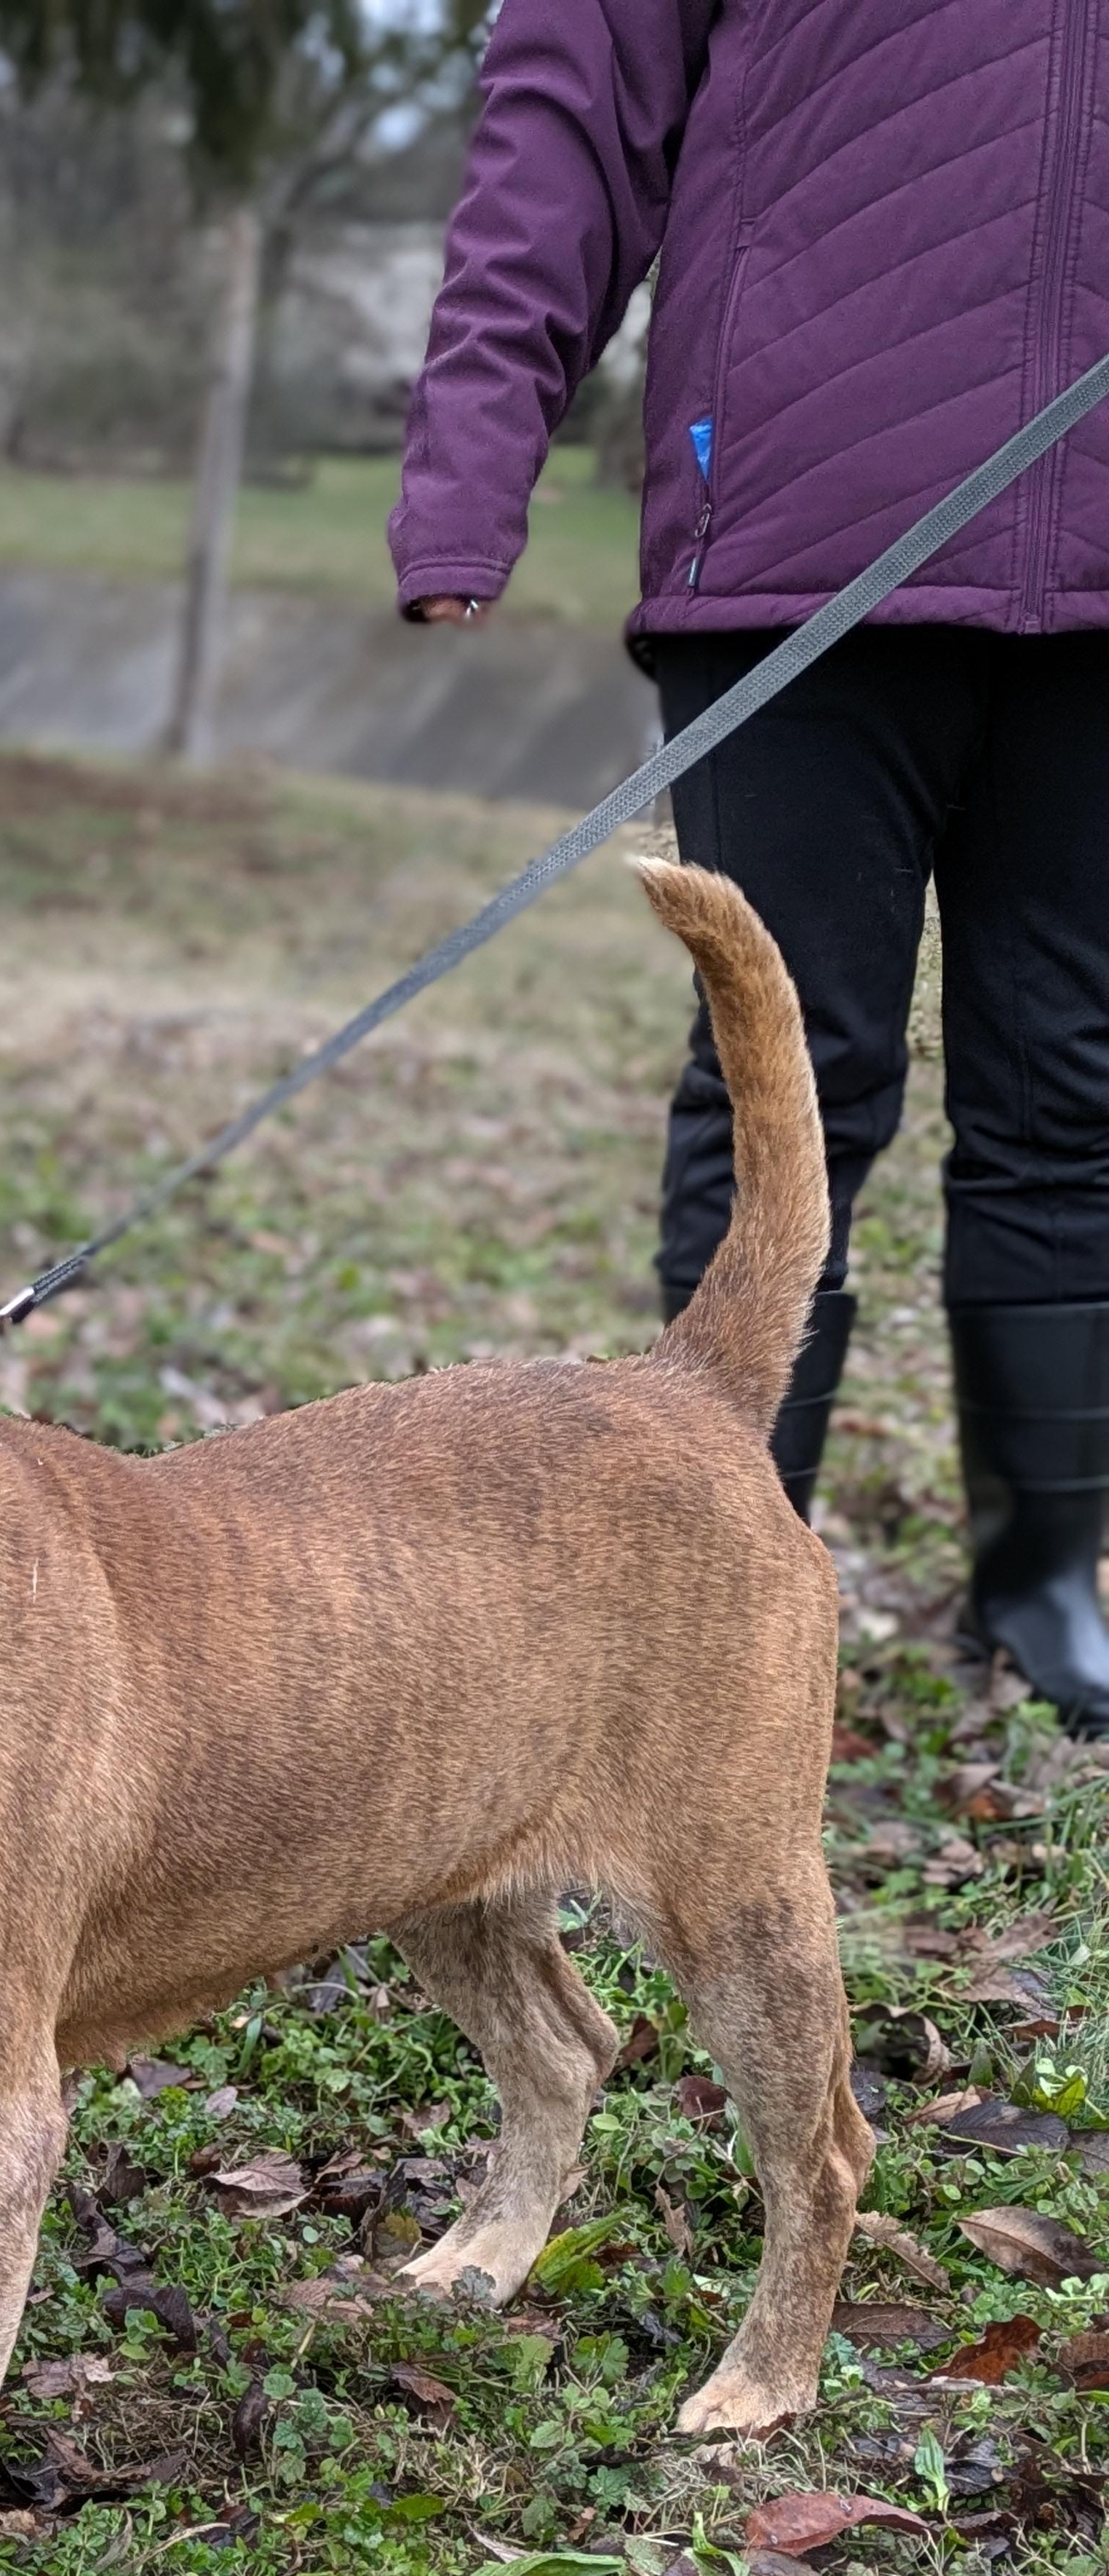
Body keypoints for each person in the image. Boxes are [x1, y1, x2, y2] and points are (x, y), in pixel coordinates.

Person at [390, 0, 1109, 1739]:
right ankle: (715, 1570)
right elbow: (572, 104)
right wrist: (471, 459)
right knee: (781, 1069)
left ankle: (1041, 1582)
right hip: (795, 529)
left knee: (1070, 1092)